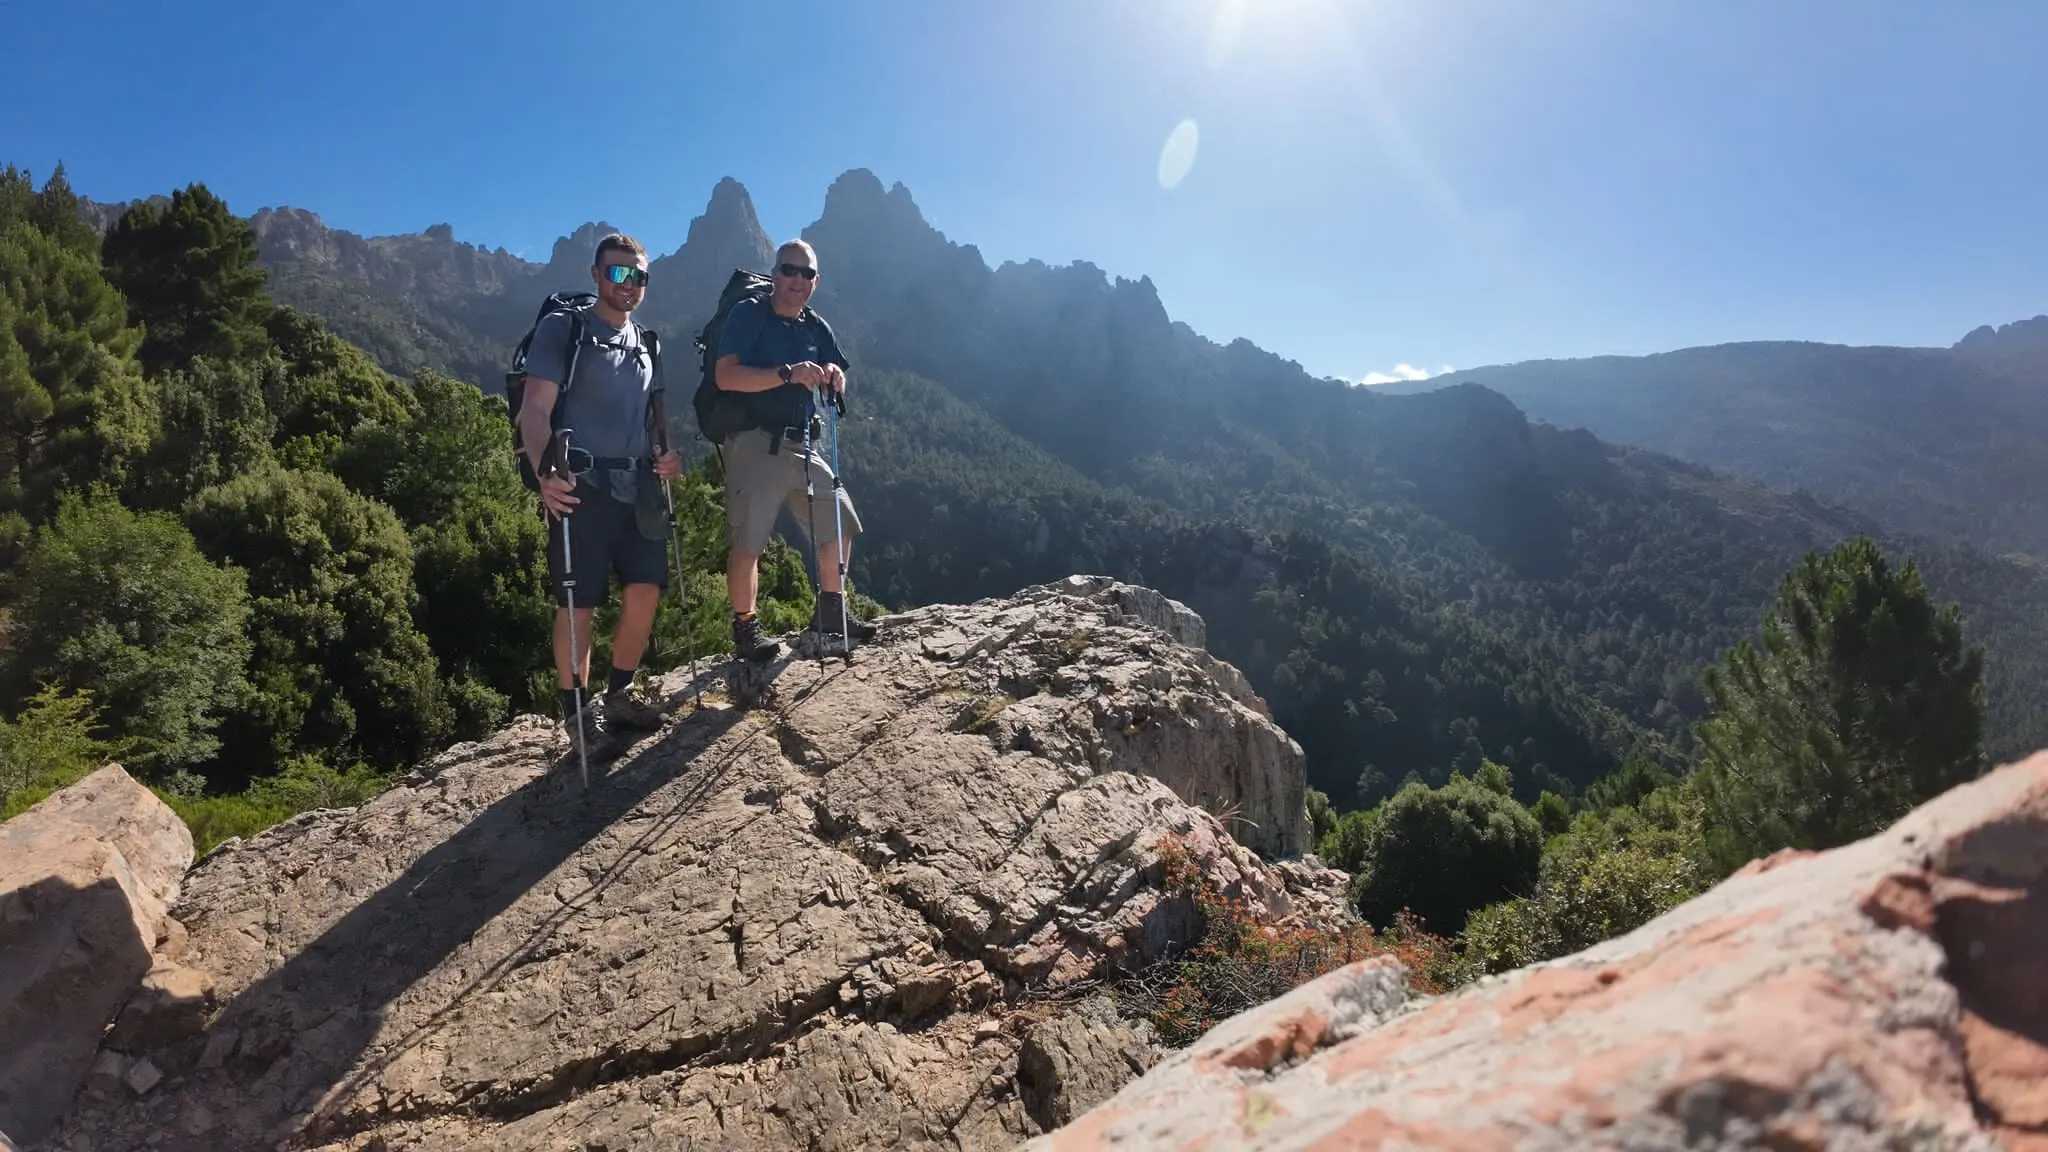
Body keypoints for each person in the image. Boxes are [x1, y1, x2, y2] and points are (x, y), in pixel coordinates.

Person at [518, 232, 682, 758]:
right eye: (617, 273)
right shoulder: (565, 329)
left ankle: (620, 695)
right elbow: (535, 411)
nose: (627, 284)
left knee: (645, 589)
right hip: (580, 487)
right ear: (596, 275)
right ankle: (577, 715)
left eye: (637, 276)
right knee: (578, 601)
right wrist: (547, 474)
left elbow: (655, 421)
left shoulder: (649, 343)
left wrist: (669, 455)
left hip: (638, 487)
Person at [712, 239, 877, 662]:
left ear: (815, 281)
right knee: (749, 542)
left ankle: (830, 612)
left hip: (804, 441)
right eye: (789, 270)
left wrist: (836, 376)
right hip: (755, 442)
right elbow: (726, 377)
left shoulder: (815, 326)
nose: (797, 280)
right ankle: (746, 628)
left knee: (839, 520)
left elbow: (835, 370)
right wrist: (786, 374)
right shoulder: (748, 315)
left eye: (807, 274)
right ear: (774, 274)